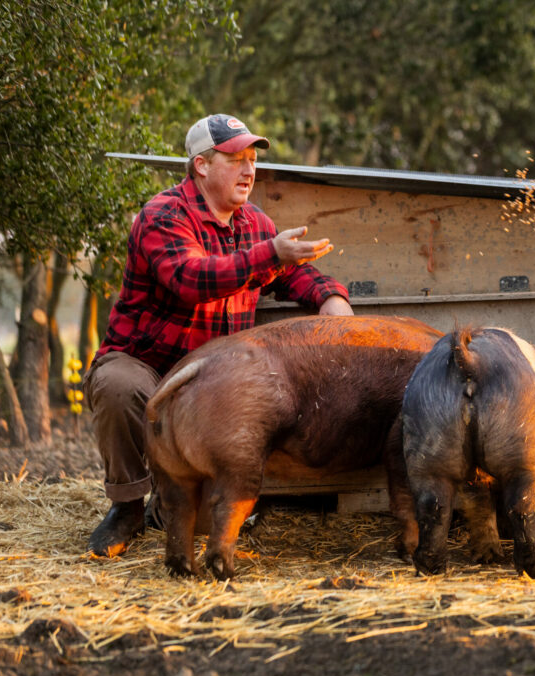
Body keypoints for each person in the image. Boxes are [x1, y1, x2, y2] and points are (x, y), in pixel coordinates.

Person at [84, 114, 353, 557]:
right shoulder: (162, 215)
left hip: (209, 381)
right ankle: (127, 506)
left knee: (212, 521)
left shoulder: (255, 224)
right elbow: (190, 278)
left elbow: (293, 276)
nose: (249, 170)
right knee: (118, 388)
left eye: (252, 159)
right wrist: (270, 254)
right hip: (146, 362)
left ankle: (167, 505)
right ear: (202, 165)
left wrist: (330, 299)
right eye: (236, 159)